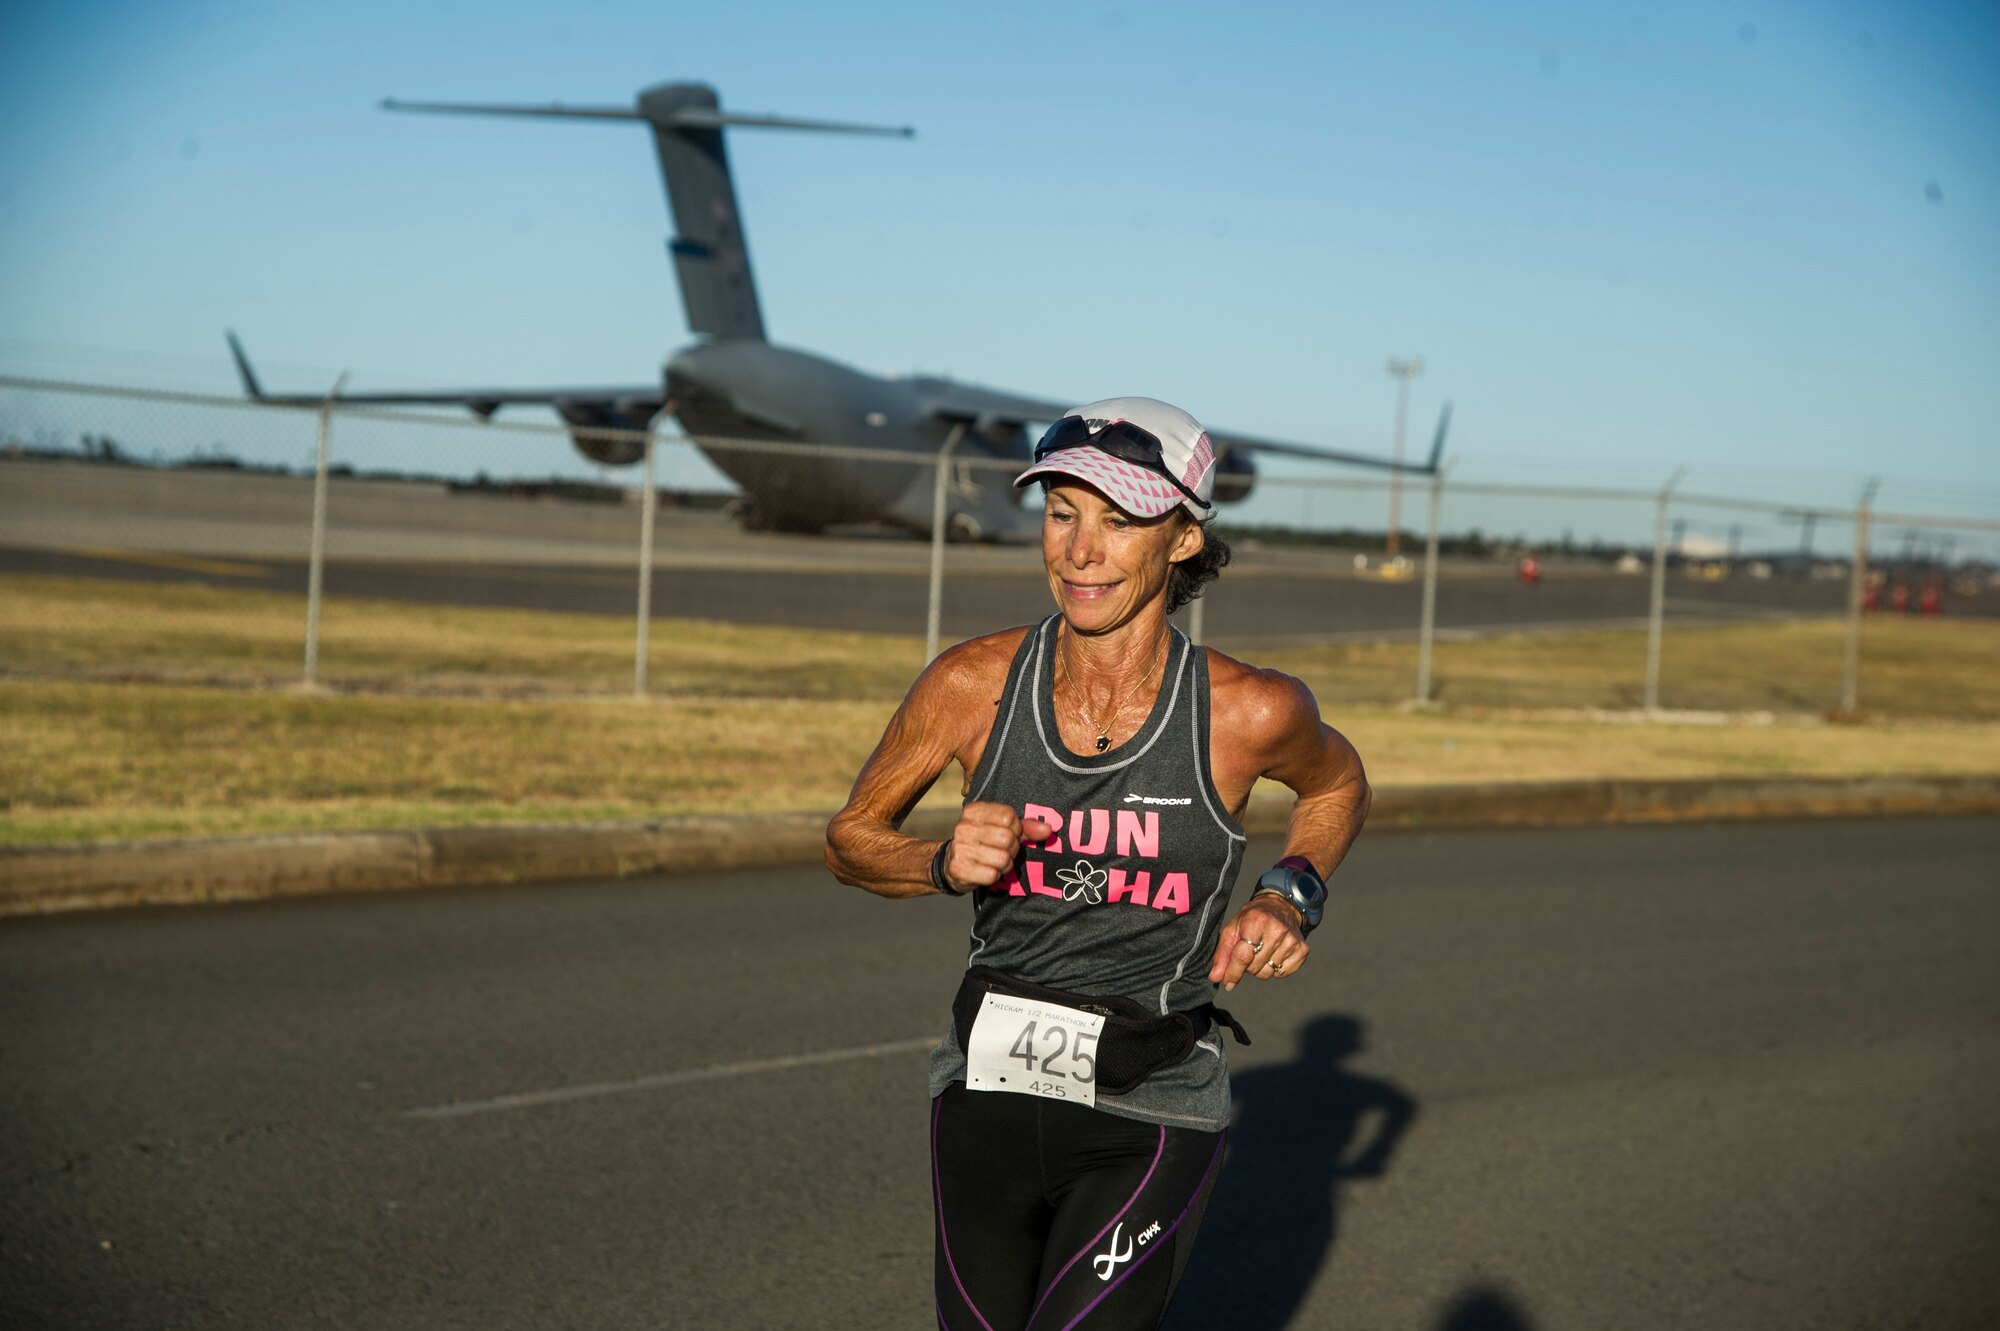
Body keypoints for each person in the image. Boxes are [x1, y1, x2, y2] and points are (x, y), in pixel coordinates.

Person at [825, 397, 1372, 1331]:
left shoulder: (1248, 712)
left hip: (1150, 1109)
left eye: (1119, 521)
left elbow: (1338, 782)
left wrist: (1291, 894)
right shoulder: (971, 684)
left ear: (1186, 540)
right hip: (984, 1093)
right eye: (1061, 511)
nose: (1080, 550)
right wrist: (940, 861)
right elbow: (851, 837)